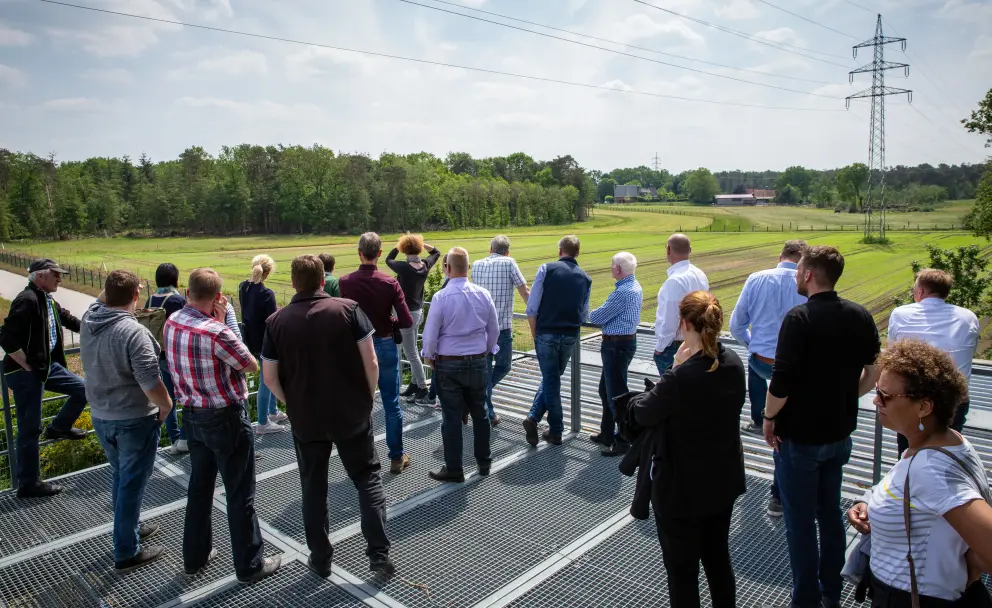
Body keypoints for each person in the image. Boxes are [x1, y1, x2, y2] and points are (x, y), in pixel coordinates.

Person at [762, 245, 881, 608]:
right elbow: (875, 371)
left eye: (800, 270)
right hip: (840, 436)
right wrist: (850, 394)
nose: (797, 275)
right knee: (829, 513)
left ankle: (806, 600)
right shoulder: (860, 315)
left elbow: (780, 383)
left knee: (799, 525)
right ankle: (832, 591)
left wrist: (768, 419)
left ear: (809, 274)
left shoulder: (799, 319)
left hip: (799, 440)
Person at [261, 255, 394, 578]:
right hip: (351, 411)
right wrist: (367, 396)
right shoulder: (348, 309)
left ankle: (320, 559)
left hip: (307, 418)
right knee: (367, 479)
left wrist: (291, 402)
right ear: (323, 280)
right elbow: (371, 361)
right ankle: (378, 555)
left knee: (313, 487)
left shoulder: (276, 322)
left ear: (293, 282)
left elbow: (268, 377)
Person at [848, 339, 992, 606]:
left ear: (924, 407)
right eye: (878, 390)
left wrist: (972, 562)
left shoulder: (930, 470)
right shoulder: (948, 443)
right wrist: (869, 502)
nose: (876, 400)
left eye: (886, 396)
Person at [164, 268, 280, 583]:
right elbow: (250, 364)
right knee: (240, 492)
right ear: (218, 298)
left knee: (199, 489)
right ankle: (250, 565)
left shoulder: (172, 322)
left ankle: (195, 557)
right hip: (225, 418)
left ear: (187, 293)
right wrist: (219, 319)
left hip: (192, 416)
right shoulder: (216, 331)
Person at [632, 291, 746, 608]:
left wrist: (675, 364)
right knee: (718, 559)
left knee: (682, 573)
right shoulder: (734, 364)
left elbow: (642, 412)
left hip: (681, 489)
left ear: (684, 324)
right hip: (722, 480)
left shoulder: (682, 377)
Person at [81, 270, 173, 571]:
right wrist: (166, 405)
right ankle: (126, 551)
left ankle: (129, 526)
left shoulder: (90, 318)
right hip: (133, 418)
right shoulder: (134, 333)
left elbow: (103, 299)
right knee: (132, 483)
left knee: (121, 476)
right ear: (136, 296)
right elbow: (150, 381)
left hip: (101, 415)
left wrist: (120, 288)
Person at [728, 240, 807, 517]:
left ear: (780, 255)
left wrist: (754, 344)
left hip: (762, 361)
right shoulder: (808, 284)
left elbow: (736, 325)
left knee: (758, 377)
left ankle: (761, 418)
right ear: (803, 261)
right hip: (796, 370)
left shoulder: (757, 278)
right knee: (788, 428)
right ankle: (778, 494)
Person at [0, 258, 87, 498]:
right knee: (29, 429)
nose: (60, 279)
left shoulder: (46, 299)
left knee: (85, 390)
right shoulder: (26, 300)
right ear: (40, 276)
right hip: (26, 372)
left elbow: (69, 320)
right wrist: (25, 363)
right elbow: (6, 337)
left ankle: (58, 427)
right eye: (56, 274)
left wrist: (96, 328)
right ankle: (28, 484)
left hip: (46, 367)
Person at [420, 247, 499, 483]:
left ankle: (454, 468)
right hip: (477, 361)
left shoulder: (441, 297)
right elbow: (493, 330)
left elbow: (430, 335)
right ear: (468, 268)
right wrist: (486, 351)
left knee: (451, 418)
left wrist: (429, 356)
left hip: (449, 364)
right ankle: (484, 462)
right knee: (481, 414)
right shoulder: (483, 294)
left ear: (447, 268)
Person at [340, 232, 415, 474]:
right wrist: (390, 320)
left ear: (359, 253)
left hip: (356, 348)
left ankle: (362, 457)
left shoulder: (345, 282)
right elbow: (406, 320)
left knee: (360, 405)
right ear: (380, 254)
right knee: (391, 403)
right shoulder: (389, 283)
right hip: (383, 344)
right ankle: (396, 456)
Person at [887, 268, 979, 457]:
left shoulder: (901, 314)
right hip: (953, 401)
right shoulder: (968, 317)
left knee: (908, 458)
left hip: (913, 401)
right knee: (947, 458)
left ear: (920, 291)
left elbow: (893, 356)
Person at [522, 235, 591, 447]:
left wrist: (535, 334)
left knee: (551, 380)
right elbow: (584, 315)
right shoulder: (586, 278)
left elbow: (532, 307)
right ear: (577, 253)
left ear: (560, 251)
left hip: (547, 333)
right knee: (552, 379)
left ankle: (556, 430)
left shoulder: (546, 269)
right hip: (570, 336)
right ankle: (533, 418)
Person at [471, 235, 530, 426]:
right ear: (508, 251)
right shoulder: (509, 262)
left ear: (490, 249)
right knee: (504, 366)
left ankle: (481, 396)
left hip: (480, 328)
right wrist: (535, 312)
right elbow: (524, 290)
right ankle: (486, 407)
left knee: (485, 371)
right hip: (502, 328)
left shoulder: (477, 264)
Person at [588, 252, 642, 457]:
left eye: (612, 266)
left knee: (615, 396)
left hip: (616, 346)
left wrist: (587, 313)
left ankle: (622, 441)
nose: (611, 268)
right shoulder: (633, 286)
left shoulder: (623, 292)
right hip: (622, 344)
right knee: (606, 390)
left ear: (618, 269)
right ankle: (607, 433)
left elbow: (598, 317)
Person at [385, 235, 441, 405]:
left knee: (410, 353)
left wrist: (398, 245)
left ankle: (422, 387)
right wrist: (422, 245)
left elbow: (388, 259)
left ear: (404, 249)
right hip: (418, 313)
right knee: (413, 350)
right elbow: (436, 252)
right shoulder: (425, 265)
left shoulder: (403, 267)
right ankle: (414, 384)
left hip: (406, 314)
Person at [146, 262, 190, 455]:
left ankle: (174, 439)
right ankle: (185, 439)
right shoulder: (177, 301)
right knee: (188, 397)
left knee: (168, 399)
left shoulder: (150, 300)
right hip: (176, 357)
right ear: (175, 279)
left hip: (157, 356)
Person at [238, 254, 285, 435]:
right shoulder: (267, 294)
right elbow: (272, 321)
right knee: (268, 380)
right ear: (268, 273)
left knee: (267, 378)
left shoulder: (244, 287)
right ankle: (263, 422)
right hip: (265, 341)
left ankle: (272, 412)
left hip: (250, 340)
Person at [654, 234, 708, 377]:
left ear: (668, 250)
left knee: (672, 394)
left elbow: (670, 320)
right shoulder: (700, 274)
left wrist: (660, 348)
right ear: (690, 250)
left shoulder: (674, 281)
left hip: (675, 347)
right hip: (697, 342)